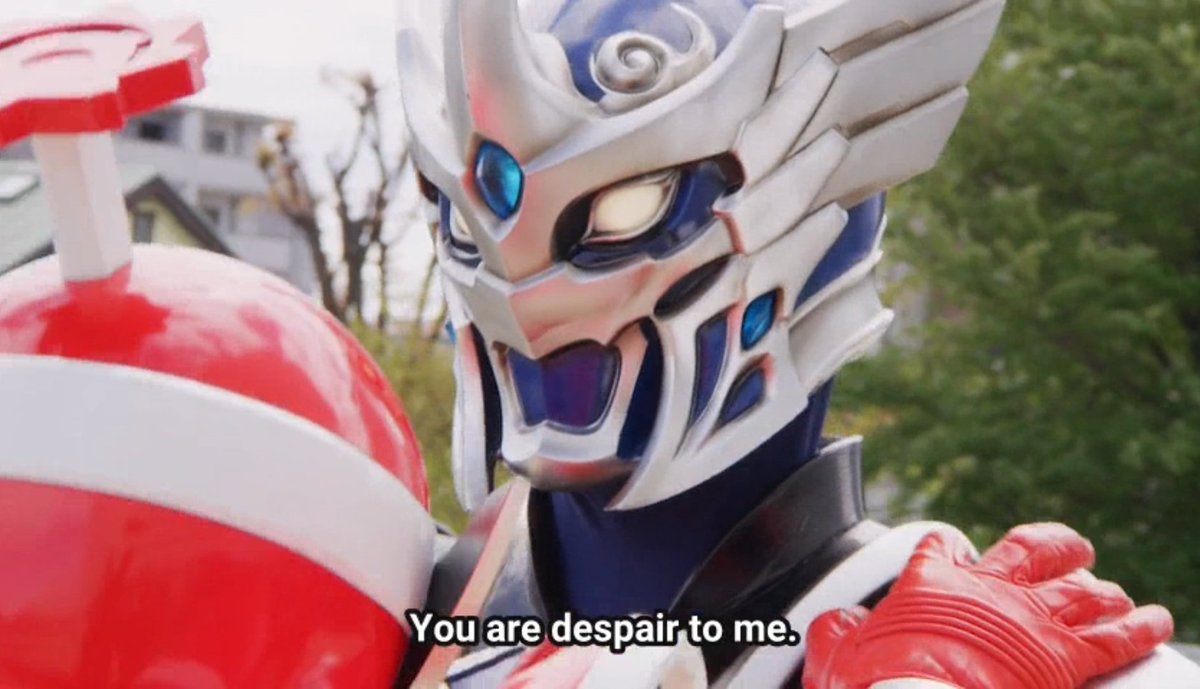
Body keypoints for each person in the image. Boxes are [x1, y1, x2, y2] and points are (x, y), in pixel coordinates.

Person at [393, 0, 1197, 686]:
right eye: (471, 225)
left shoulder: (1005, 653)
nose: (522, 292)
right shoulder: (376, 592)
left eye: (628, 209)